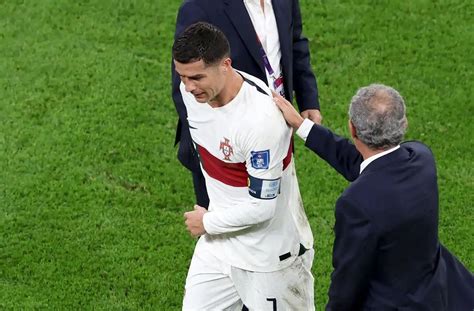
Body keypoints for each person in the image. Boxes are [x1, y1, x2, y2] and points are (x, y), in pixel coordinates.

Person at [273, 84, 474, 310]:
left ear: (352, 129)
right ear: (404, 124)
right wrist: (302, 126)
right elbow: (366, 164)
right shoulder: (420, 157)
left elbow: (348, 282)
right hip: (440, 294)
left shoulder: (356, 203)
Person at [173, 22, 315, 310]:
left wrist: (208, 222)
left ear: (225, 65)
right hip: (219, 248)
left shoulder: (260, 121)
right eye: (183, 76)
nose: (188, 87)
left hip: (270, 259)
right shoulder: (192, 93)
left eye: (197, 77)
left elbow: (263, 207)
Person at [171, 0, 322, 210]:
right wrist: (224, 149)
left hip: (276, 125)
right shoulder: (199, 7)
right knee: (221, 227)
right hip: (223, 149)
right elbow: (186, 83)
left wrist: (308, 99)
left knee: (277, 211)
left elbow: (295, 42)